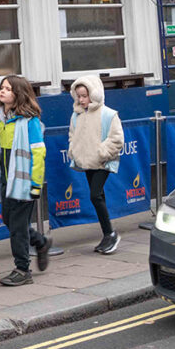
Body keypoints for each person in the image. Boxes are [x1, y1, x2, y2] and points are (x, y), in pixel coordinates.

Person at [0, 75, 50, 286]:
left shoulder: (29, 121)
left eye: (8, 89)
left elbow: (39, 153)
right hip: (7, 180)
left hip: (23, 182)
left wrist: (35, 185)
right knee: (8, 220)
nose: (2, 91)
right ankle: (41, 243)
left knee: (18, 227)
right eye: (1, 88)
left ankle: (23, 270)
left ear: (18, 94)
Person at [67, 74, 125, 254]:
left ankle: (111, 234)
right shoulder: (76, 115)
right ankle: (107, 235)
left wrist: (102, 153)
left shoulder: (108, 114)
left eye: (84, 96)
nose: (81, 99)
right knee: (98, 196)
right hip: (87, 161)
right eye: (79, 96)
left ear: (94, 94)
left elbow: (117, 139)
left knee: (95, 195)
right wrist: (74, 151)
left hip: (103, 162)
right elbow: (72, 135)